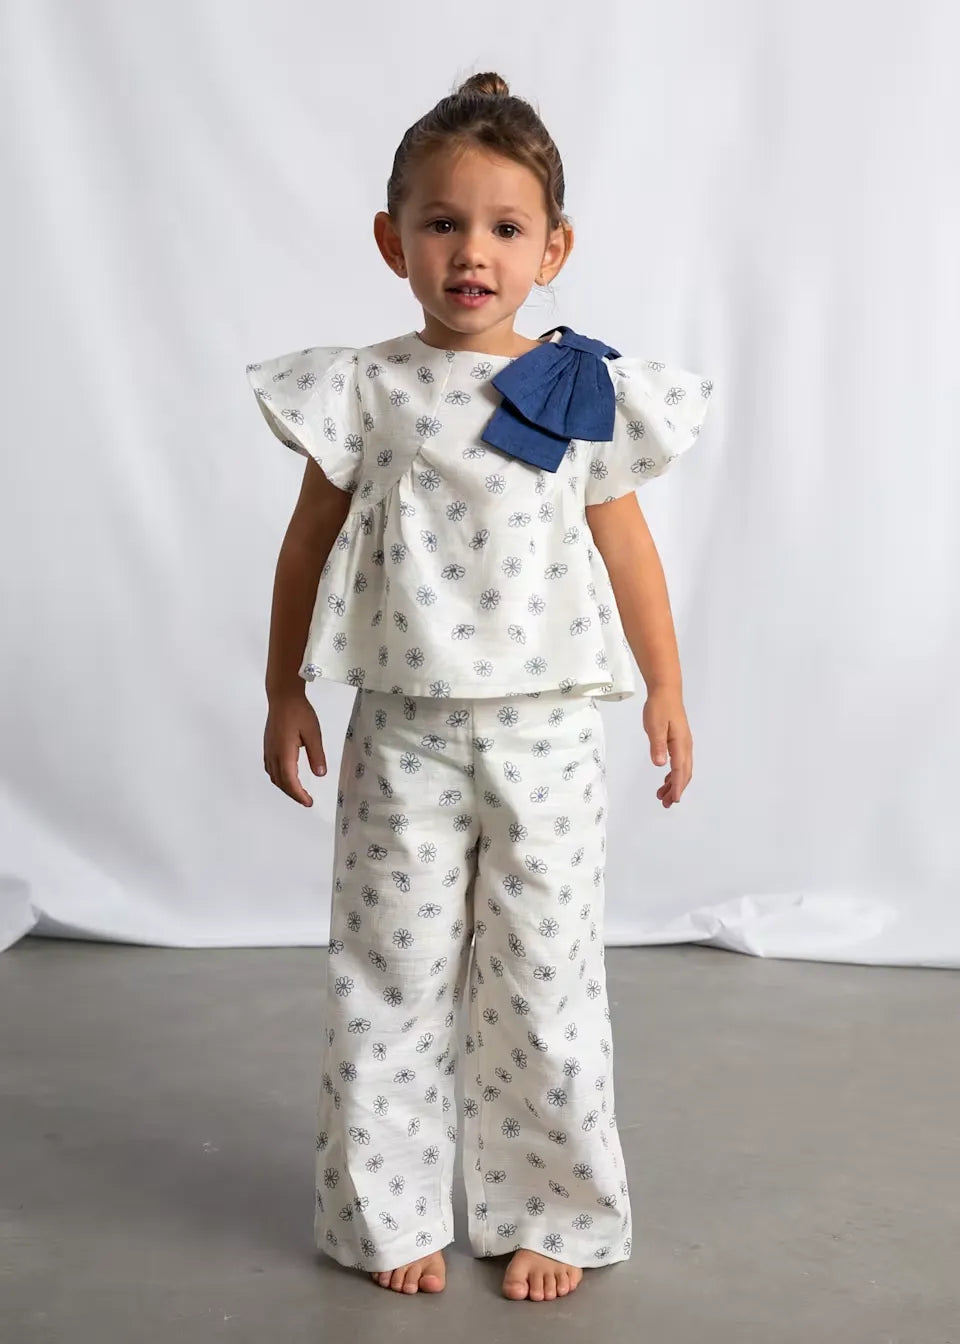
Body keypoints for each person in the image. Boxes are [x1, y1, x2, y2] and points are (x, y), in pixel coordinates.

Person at [245, 71, 715, 1303]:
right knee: (387, 976)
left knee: (546, 980)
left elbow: (627, 548)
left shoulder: (581, 387)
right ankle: (386, 1207)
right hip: (401, 733)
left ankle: (554, 1208)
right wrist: (286, 688)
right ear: (392, 238)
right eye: (443, 224)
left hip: (547, 736)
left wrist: (665, 690)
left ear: (553, 250)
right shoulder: (366, 387)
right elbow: (305, 544)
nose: (472, 253)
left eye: (506, 228)